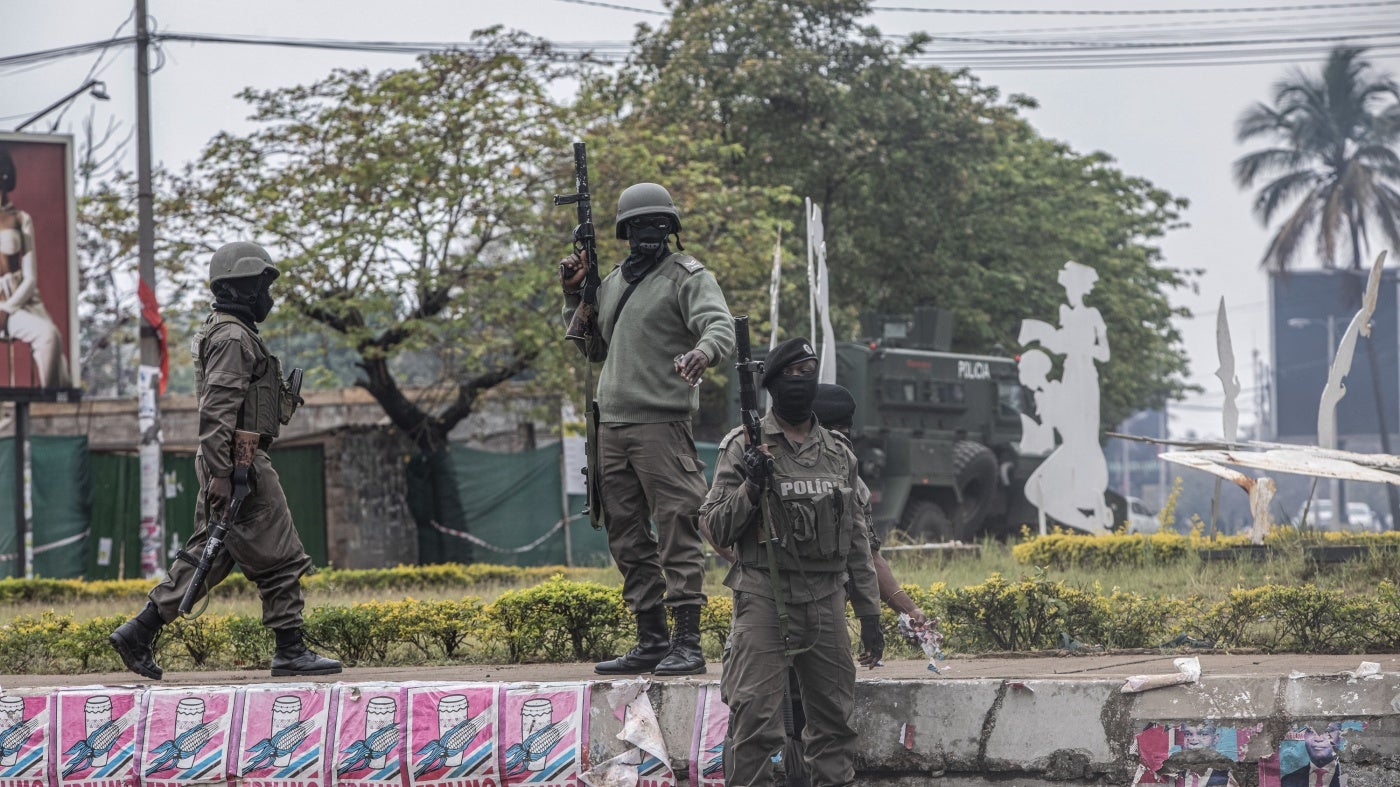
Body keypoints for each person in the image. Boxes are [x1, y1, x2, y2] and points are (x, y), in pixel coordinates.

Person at [109, 242, 340, 679]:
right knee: (282, 557)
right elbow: (217, 410)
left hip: (233, 459)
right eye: (262, 286)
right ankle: (290, 649)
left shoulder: (230, 331)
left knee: (211, 553)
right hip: (240, 460)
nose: (267, 296)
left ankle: (139, 631)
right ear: (243, 287)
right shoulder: (233, 337)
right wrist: (224, 472)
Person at [559, 182, 734, 677]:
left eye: (659, 225)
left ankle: (688, 643)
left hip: (661, 424)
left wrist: (704, 352)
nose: (649, 234)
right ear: (624, 231)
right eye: (639, 226)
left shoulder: (687, 275)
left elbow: (717, 325)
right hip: (609, 428)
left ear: (672, 229)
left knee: (678, 527)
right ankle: (651, 639)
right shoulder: (611, 281)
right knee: (625, 534)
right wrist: (574, 295)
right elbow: (592, 349)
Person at [701, 338, 883, 787]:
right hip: (764, 597)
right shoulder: (743, 446)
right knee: (755, 726)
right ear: (773, 384)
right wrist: (751, 488)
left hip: (825, 602)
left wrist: (870, 611)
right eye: (792, 375)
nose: (801, 382)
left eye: (809, 373)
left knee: (834, 724)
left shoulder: (839, 453)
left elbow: (857, 540)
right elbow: (715, 526)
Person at [0, 145, 71, 389]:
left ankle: (49, 403)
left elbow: (30, 277)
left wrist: (7, 309)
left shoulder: (20, 218)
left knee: (49, 335)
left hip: (14, 300)